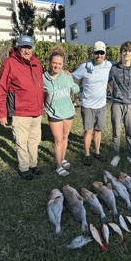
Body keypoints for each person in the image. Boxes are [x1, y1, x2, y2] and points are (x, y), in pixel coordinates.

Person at [71, 41, 131, 166]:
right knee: (99, 131)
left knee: (113, 132)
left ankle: (123, 155)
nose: (99, 55)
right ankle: (97, 155)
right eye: (96, 52)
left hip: (116, 105)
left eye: (101, 53)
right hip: (100, 105)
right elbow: (73, 78)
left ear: (105, 54)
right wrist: (80, 89)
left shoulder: (118, 67)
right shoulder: (97, 67)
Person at [0, 35, 44, 180]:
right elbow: (2, 88)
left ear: (32, 48)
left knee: (34, 141)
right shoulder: (9, 63)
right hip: (21, 111)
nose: (26, 50)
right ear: (18, 47)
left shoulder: (36, 62)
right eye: (24, 47)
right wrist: (2, 112)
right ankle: (24, 168)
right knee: (22, 141)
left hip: (37, 111)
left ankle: (33, 164)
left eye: (29, 47)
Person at [43, 46, 80, 176]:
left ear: (63, 64)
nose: (57, 66)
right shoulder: (43, 78)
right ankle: (58, 166)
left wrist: (81, 87)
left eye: (59, 63)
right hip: (54, 113)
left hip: (68, 112)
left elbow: (74, 87)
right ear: (49, 62)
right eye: (54, 63)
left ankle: (63, 159)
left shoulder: (66, 75)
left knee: (65, 138)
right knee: (58, 141)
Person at [109, 40, 131, 168]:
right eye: (125, 51)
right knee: (116, 133)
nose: (127, 53)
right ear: (121, 53)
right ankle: (116, 155)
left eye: (130, 51)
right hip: (117, 105)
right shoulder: (113, 69)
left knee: (130, 133)